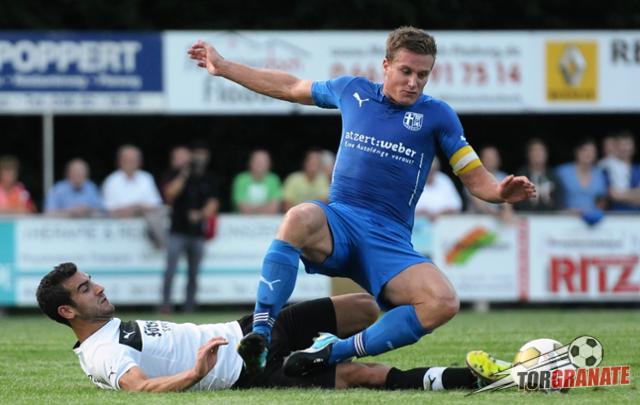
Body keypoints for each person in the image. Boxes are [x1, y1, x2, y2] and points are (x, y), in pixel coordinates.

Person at [188, 26, 535, 376]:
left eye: (422, 75)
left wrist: (500, 193)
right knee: (298, 216)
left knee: (442, 302)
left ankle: (331, 352)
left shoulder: (438, 115)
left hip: (388, 241)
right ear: (386, 65)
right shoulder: (352, 91)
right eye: (406, 71)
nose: (413, 82)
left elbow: (476, 179)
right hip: (339, 223)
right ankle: (261, 335)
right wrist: (224, 67)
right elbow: (291, 86)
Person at [35, 263, 511, 393]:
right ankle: (473, 378)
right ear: (67, 313)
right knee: (363, 376)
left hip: (250, 330)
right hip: (247, 371)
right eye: (84, 289)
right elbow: (140, 388)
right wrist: (196, 373)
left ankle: (326, 348)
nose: (98, 288)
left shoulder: (106, 329)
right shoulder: (102, 353)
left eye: (91, 281)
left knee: (364, 306)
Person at [161, 141, 219, 314]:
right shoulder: (175, 174)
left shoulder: (208, 178)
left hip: (197, 233)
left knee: (193, 273)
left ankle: (190, 307)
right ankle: (166, 305)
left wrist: (200, 215)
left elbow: (213, 203)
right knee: (170, 270)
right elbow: (170, 194)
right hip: (177, 231)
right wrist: (185, 173)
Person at [102, 145, 163, 218]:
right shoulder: (111, 181)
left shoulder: (147, 178)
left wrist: (137, 207)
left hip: (145, 218)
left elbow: (155, 204)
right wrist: (132, 209)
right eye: (127, 160)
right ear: (119, 161)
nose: (130, 163)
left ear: (139, 162)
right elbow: (108, 208)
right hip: (119, 220)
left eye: (133, 160)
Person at [555, 138, 608, 212]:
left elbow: (603, 199)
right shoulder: (562, 172)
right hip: (566, 216)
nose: (588, 154)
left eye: (592, 151)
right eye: (584, 150)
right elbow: (553, 196)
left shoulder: (600, 174)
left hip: (592, 217)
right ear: (577, 152)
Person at [513, 139, 563, 212]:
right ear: (528, 154)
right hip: (525, 215)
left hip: (550, 216)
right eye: (534, 151)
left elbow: (559, 200)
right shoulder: (521, 175)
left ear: (546, 154)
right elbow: (515, 201)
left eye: (541, 150)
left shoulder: (553, 175)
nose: (538, 154)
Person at [465, 146, 513, 220]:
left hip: (499, 220)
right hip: (476, 221)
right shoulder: (472, 177)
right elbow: (479, 204)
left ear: (498, 159)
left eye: (493, 158)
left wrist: (507, 212)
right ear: (480, 160)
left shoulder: (504, 177)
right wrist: (496, 214)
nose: (491, 161)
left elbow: (507, 201)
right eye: (488, 158)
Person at [231, 149, 282, 214]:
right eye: (257, 161)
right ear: (250, 163)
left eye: (264, 162)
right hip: (243, 220)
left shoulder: (273, 180)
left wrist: (252, 208)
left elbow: (273, 208)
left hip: (268, 219)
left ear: (269, 164)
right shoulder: (241, 179)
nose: (260, 165)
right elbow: (243, 208)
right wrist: (265, 207)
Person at [605, 131, 640, 211]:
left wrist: (621, 194)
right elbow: (613, 195)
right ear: (615, 148)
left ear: (633, 148)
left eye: (627, 144)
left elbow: (618, 195)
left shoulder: (638, 169)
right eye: (621, 144)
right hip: (617, 216)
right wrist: (636, 194)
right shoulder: (608, 168)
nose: (624, 148)